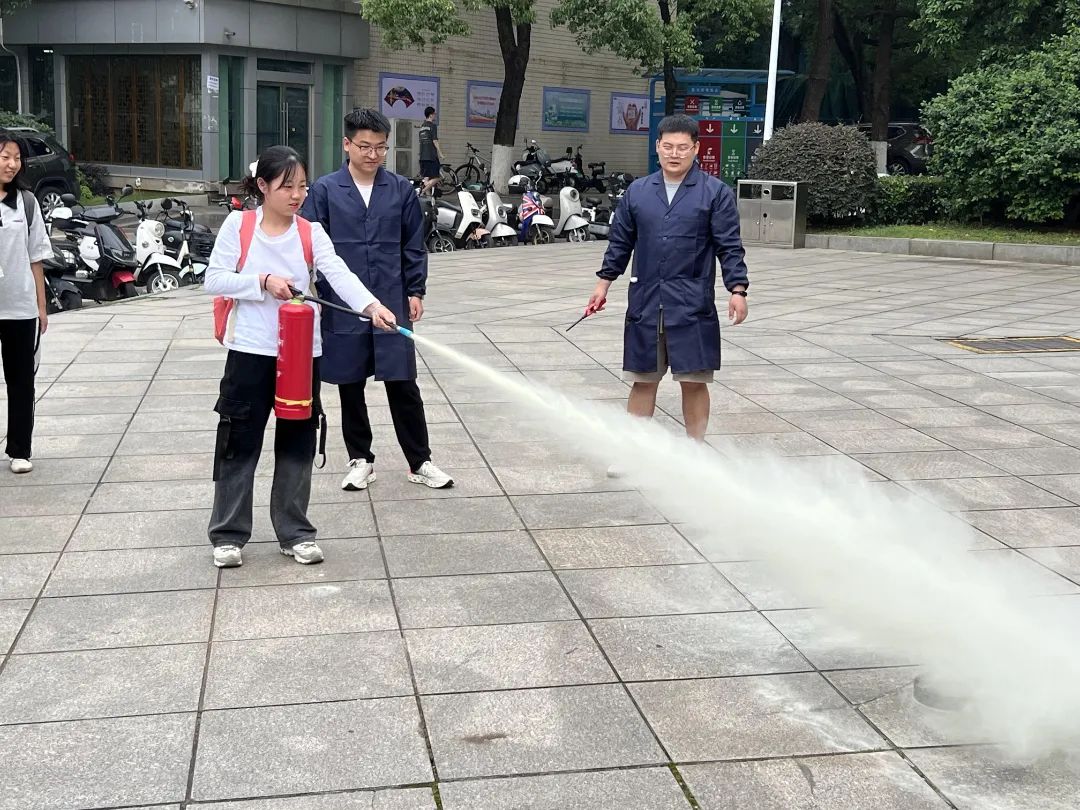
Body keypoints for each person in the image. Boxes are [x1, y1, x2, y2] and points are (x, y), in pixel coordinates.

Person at [204, 145, 397, 569]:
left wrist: (372, 307)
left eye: (303, 186)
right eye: (287, 186)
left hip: (301, 355)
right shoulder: (240, 225)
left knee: (297, 442)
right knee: (239, 442)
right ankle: (229, 534)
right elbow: (213, 279)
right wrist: (262, 281)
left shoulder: (311, 233)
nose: (297, 195)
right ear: (262, 186)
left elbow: (340, 274)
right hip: (250, 351)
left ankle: (295, 532)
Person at [302, 108, 454, 492]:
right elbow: (309, 246)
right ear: (347, 144)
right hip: (344, 303)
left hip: (392, 297)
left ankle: (420, 461)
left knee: (403, 383)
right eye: (365, 146)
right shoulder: (325, 191)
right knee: (350, 383)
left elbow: (413, 244)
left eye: (381, 147)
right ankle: (360, 459)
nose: (373, 155)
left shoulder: (400, 189)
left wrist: (415, 290)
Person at [588, 114, 749, 448]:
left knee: (694, 380)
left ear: (696, 149)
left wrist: (737, 289)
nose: (675, 154)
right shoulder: (638, 192)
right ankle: (633, 451)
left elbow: (729, 246)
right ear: (658, 147)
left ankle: (695, 451)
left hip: (692, 302)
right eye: (668, 146)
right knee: (643, 379)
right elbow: (620, 243)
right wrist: (603, 284)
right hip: (646, 300)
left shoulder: (715, 193)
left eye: (683, 147)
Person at [0, 131, 53, 475]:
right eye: (5, 156)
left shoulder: (26, 202)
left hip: (19, 307)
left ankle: (20, 449)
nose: (12, 164)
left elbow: (36, 258)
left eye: (16, 158)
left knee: (21, 381)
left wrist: (41, 307)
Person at [418, 106, 444, 196]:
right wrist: (440, 153)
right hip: (431, 156)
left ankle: (428, 198)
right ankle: (422, 191)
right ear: (431, 115)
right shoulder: (432, 126)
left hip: (422, 156)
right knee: (437, 177)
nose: (435, 115)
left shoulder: (422, 127)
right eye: (434, 114)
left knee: (426, 178)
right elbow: (435, 141)